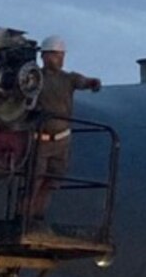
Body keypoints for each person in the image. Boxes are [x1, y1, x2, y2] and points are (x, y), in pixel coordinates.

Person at [23, 35, 102, 224]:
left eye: (61, 55)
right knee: (35, 179)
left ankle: (38, 214)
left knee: (53, 178)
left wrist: (93, 83)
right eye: (56, 55)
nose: (60, 59)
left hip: (62, 140)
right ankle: (25, 215)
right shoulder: (35, 79)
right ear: (45, 56)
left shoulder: (68, 79)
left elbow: (82, 81)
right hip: (40, 139)